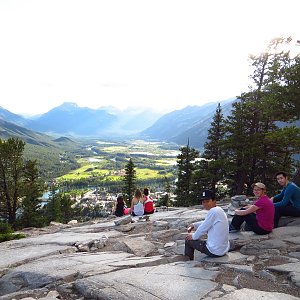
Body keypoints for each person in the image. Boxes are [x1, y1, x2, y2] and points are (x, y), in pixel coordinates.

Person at [184, 190, 230, 260]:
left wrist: (193, 236)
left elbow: (203, 229)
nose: (205, 204)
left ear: (214, 201)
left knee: (188, 240)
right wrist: (194, 225)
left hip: (214, 251)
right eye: (203, 202)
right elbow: (206, 222)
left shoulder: (213, 211)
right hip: (223, 249)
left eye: (207, 201)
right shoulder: (219, 210)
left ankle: (187, 262)